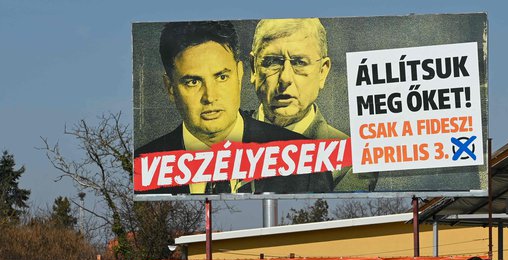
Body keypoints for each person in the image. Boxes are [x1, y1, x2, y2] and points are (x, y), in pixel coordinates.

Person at [134, 21, 333, 195]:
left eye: (222, 77)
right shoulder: (141, 167)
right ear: (170, 88)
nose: (210, 97)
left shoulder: (306, 162)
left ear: (239, 74)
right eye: (193, 82)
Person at [249, 18, 375, 191]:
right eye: (273, 62)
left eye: (299, 62)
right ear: (253, 69)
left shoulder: (354, 159)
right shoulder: (217, 145)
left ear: (322, 72)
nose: (285, 78)